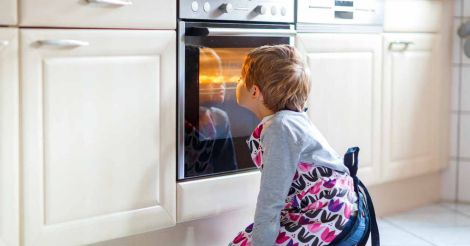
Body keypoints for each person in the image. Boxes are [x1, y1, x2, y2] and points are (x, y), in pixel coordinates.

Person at [229, 45, 365, 246]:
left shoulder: (280, 129)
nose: (236, 82)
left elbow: (271, 199)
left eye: (240, 78)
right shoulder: (290, 120)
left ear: (255, 92)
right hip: (330, 209)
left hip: (326, 216)